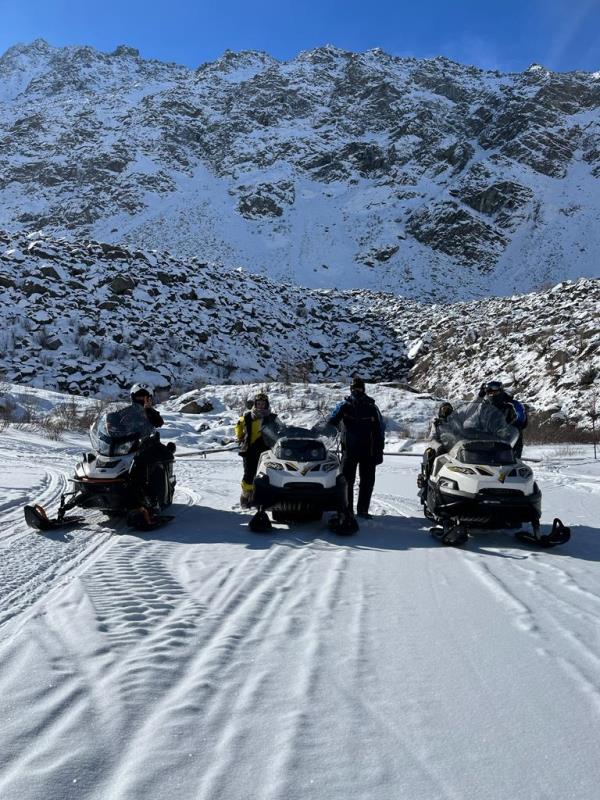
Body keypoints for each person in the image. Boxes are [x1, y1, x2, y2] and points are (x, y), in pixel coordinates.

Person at [328, 377, 385, 519]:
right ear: (350, 389)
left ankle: (363, 510)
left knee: (367, 482)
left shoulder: (372, 407)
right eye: (353, 388)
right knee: (346, 481)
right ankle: (347, 509)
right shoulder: (344, 404)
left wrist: (379, 451)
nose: (356, 390)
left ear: (363, 389)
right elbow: (331, 422)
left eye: (359, 388)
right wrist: (336, 417)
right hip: (349, 450)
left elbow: (380, 430)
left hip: (369, 451)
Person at [128, 382, 175, 512]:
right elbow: (117, 423)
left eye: (145, 397)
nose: (142, 399)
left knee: (157, 462)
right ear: (133, 397)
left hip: (147, 445)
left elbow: (158, 422)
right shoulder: (127, 412)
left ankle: (155, 500)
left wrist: (148, 409)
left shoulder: (151, 411)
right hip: (127, 445)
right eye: (139, 397)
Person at [235, 392, 279, 507]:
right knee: (249, 474)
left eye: (263, 404)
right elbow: (238, 425)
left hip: (266, 450)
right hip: (249, 449)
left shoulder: (272, 417)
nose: (260, 406)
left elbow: (280, 430)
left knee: (264, 475)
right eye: (258, 403)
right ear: (255, 404)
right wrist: (239, 436)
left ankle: (258, 497)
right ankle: (245, 497)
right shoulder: (247, 415)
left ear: (266, 405)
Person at [478, 380, 527, 457]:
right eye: (490, 393)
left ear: (501, 391)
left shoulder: (512, 404)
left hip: (509, 441)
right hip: (487, 441)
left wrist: (508, 429)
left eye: (495, 392)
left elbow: (521, 418)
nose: (492, 395)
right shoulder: (484, 406)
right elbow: (475, 419)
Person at [419, 402, 454, 497]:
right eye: (444, 409)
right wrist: (439, 443)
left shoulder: (455, 422)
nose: (446, 411)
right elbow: (432, 436)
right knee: (436, 452)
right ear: (440, 410)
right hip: (439, 444)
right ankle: (430, 480)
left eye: (448, 409)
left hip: (453, 446)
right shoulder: (436, 422)